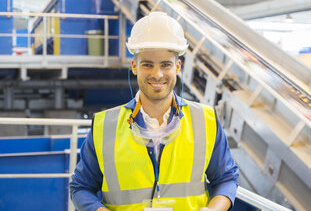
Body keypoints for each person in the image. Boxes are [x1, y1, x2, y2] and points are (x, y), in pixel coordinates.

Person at [70, 11, 239, 211]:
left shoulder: (205, 120)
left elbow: (226, 179)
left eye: (165, 65)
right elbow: (81, 187)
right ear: (135, 66)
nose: (157, 74)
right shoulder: (105, 126)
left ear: (177, 66)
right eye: (148, 64)